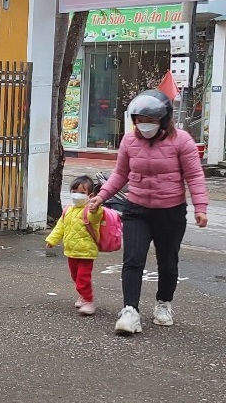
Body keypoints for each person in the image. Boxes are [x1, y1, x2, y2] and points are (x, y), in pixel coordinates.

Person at [87, 89, 209, 336]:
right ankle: (130, 311)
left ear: (164, 120)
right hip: (137, 209)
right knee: (132, 260)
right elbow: (120, 174)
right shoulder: (129, 141)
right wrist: (101, 196)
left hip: (170, 212)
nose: (144, 125)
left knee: (168, 263)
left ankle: (164, 304)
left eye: (150, 120)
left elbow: (194, 176)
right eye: (140, 120)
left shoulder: (182, 140)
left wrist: (201, 208)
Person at [46, 175, 104, 316]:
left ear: (90, 195)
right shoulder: (68, 210)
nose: (77, 195)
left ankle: (88, 301)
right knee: (75, 276)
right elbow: (60, 227)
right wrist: (52, 240)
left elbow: (96, 217)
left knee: (82, 278)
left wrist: (94, 209)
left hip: (86, 252)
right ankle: (83, 295)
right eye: (74, 191)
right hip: (71, 250)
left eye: (82, 193)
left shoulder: (91, 210)